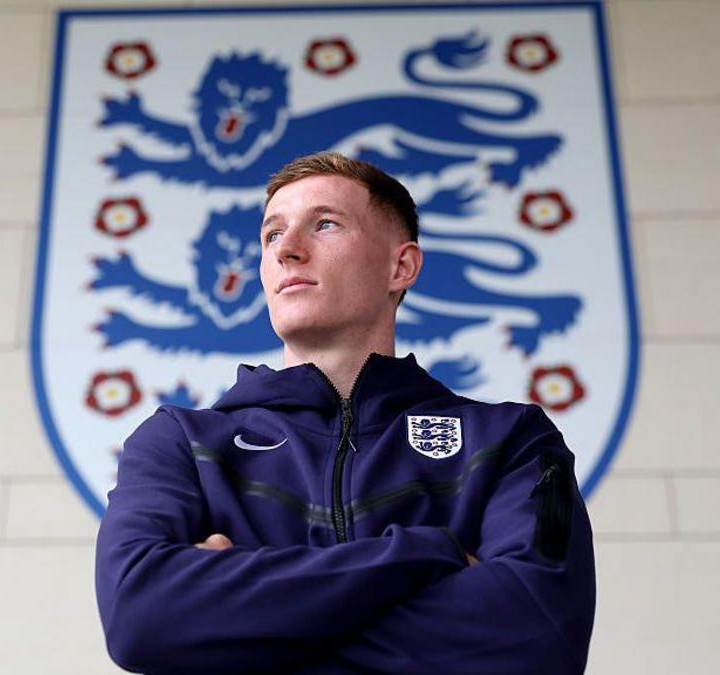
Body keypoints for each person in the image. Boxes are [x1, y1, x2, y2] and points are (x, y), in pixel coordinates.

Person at [95, 151, 596, 674]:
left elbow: (542, 636)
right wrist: (427, 553)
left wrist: (239, 628)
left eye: (325, 224)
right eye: (271, 235)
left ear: (400, 266)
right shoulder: (182, 443)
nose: (287, 251)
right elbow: (140, 618)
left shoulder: (512, 440)